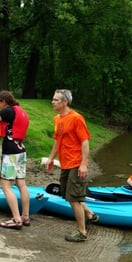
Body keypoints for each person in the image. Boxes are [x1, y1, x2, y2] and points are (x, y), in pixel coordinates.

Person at [45, 89, 98, 242]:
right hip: (65, 164)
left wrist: (83, 165)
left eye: (56, 100)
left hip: (76, 163)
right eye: (53, 99)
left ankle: (82, 232)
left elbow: (85, 142)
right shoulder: (57, 119)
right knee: (69, 196)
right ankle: (88, 214)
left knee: (74, 198)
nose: (52, 102)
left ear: (65, 102)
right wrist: (50, 158)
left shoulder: (76, 118)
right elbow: (57, 140)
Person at [0, 90, 31, 229]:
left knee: (6, 185)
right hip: (21, 150)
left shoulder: (7, 111)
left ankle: (16, 219)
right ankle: (25, 216)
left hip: (10, 153)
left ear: (3, 101)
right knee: (22, 184)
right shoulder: (19, 110)